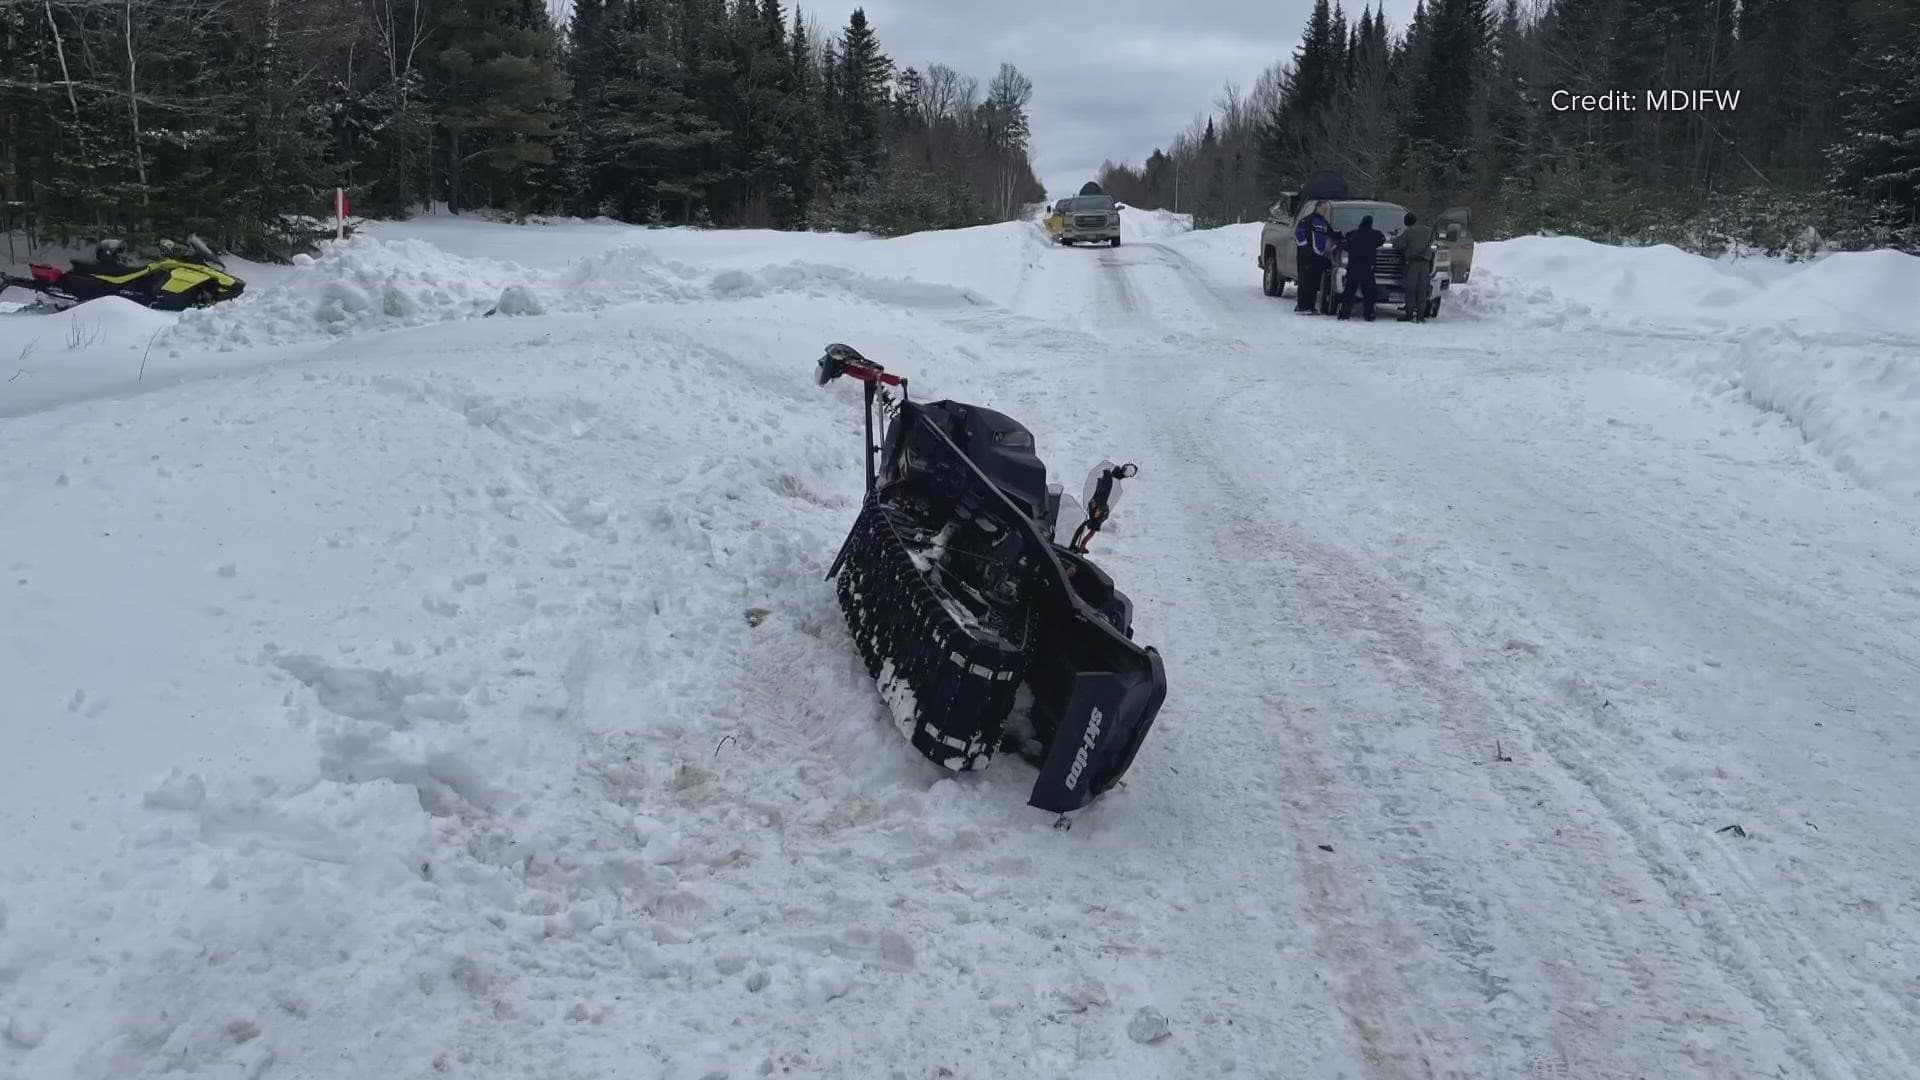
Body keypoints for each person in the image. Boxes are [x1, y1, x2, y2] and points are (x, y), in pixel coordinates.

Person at [1335, 214, 1386, 321]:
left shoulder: (1352, 234)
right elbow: (1382, 239)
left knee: (1349, 291)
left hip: (1353, 266)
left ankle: (1344, 313)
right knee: (1368, 292)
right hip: (1368, 267)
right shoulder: (1374, 235)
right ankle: (1369, 314)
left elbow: (1345, 245)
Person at [1293, 200, 1336, 314]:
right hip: (1306, 256)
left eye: (1326, 209)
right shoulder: (1307, 220)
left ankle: (1311, 306)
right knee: (1305, 281)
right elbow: (1298, 233)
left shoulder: (1323, 222)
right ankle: (1302, 306)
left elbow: (1331, 233)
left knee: (1314, 282)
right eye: (1323, 208)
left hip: (1319, 256)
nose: (1325, 211)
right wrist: (1305, 248)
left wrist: (1342, 236)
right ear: (1317, 208)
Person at [1394, 212, 1435, 322]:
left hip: (1413, 264)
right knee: (1422, 290)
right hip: (1426, 264)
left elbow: (1397, 244)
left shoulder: (1409, 231)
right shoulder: (1429, 231)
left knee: (1411, 290)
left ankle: (1409, 315)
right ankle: (1421, 316)